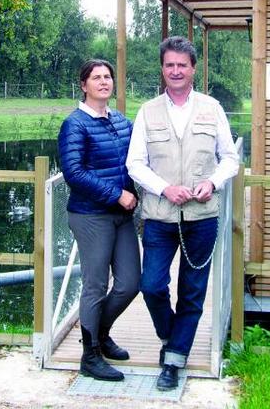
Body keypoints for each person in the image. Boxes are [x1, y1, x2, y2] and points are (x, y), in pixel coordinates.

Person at [127, 36, 239, 391]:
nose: (175, 71)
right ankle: (173, 334)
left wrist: (214, 183)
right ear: (162, 69)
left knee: (192, 292)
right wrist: (164, 188)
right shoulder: (147, 111)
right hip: (159, 216)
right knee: (151, 285)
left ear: (193, 69)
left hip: (202, 217)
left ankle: (173, 360)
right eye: (169, 65)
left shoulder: (212, 108)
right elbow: (135, 163)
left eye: (182, 65)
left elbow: (230, 159)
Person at [57, 59, 140, 382]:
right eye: (96, 77)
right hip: (90, 215)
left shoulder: (121, 121)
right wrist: (116, 194)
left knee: (131, 282)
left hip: (121, 215)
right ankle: (89, 356)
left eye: (108, 77)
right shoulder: (75, 124)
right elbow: (73, 173)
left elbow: (137, 161)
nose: (104, 82)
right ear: (84, 85)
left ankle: (99, 335)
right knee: (95, 285)